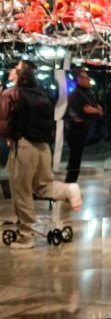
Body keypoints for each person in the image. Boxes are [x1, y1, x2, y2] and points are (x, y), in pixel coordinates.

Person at [1, 60, 82, 249]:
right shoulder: (42, 95)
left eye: (15, 68)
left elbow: (4, 122)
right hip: (44, 147)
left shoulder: (11, 93)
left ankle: (26, 236)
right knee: (43, 186)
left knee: (21, 192)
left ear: (21, 74)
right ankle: (68, 190)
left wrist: (8, 137)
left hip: (24, 147)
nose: (11, 69)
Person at [65, 68, 103, 183]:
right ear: (79, 79)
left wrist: (94, 110)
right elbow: (82, 113)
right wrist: (94, 111)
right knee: (75, 159)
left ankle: (71, 182)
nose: (89, 80)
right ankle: (70, 183)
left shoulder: (89, 94)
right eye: (86, 78)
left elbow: (98, 111)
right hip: (76, 132)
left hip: (84, 131)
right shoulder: (75, 95)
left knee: (76, 159)